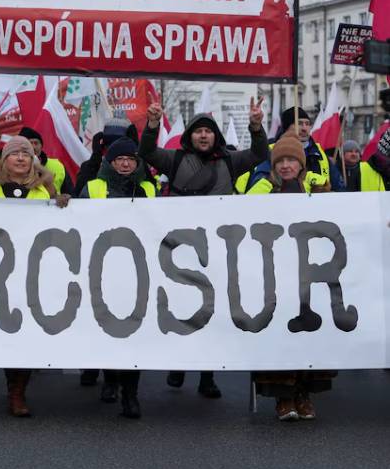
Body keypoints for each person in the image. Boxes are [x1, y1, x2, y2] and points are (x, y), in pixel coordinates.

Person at [139, 96, 267, 399]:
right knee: (181, 307)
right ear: (190, 136)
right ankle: (178, 364)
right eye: (199, 131)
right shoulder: (174, 159)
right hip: (181, 249)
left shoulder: (230, 161)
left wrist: (256, 126)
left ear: (216, 136)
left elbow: (261, 153)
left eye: (209, 131)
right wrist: (152, 125)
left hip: (217, 252)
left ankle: (208, 375)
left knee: (212, 312)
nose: (204, 135)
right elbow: (145, 151)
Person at [0, 135, 69, 417]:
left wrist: (63, 203)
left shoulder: (45, 188)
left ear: (33, 160)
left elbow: (60, 223)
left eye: (26, 154)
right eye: (14, 154)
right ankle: (11, 382)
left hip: (33, 271)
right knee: (5, 327)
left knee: (26, 331)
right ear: (5, 159)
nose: (20, 158)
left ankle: (18, 391)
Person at [249, 134, 334, 420]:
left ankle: (303, 393)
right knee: (277, 333)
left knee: (311, 332)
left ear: (301, 163)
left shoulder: (319, 187)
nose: (286, 166)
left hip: (311, 272)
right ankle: (282, 398)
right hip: (275, 273)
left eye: (291, 160)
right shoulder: (262, 187)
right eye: (281, 161)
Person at [80, 138, 155, 419]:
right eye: (119, 159)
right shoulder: (93, 188)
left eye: (131, 159)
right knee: (106, 329)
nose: (125, 163)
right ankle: (110, 380)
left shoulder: (149, 189)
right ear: (109, 163)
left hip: (138, 269)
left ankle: (130, 394)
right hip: (102, 267)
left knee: (134, 334)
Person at [243, 107, 344, 193]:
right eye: (299, 123)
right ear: (287, 127)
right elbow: (258, 185)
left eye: (307, 124)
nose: (304, 128)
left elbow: (339, 189)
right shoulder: (270, 151)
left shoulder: (319, 153)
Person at [18, 126, 74, 195]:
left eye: (36, 143)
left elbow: (71, 195)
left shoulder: (57, 166)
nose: (33, 147)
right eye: (29, 143)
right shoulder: (13, 166)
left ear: (41, 146)